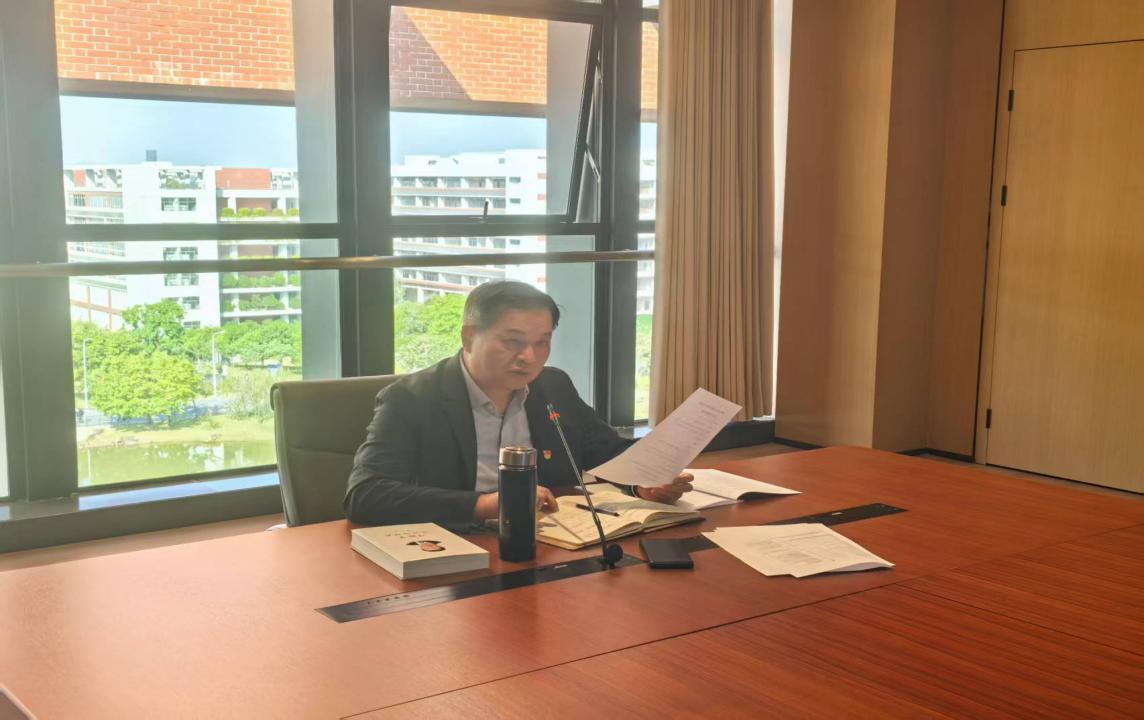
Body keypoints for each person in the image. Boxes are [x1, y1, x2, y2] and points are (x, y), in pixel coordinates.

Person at [345, 281, 692, 527]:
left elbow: (607, 452)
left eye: (542, 342)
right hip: (459, 547)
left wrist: (643, 482)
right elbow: (366, 495)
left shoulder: (552, 386)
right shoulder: (412, 399)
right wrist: (486, 505)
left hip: (555, 543)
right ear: (469, 336)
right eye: (513, 342)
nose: (529, 357)